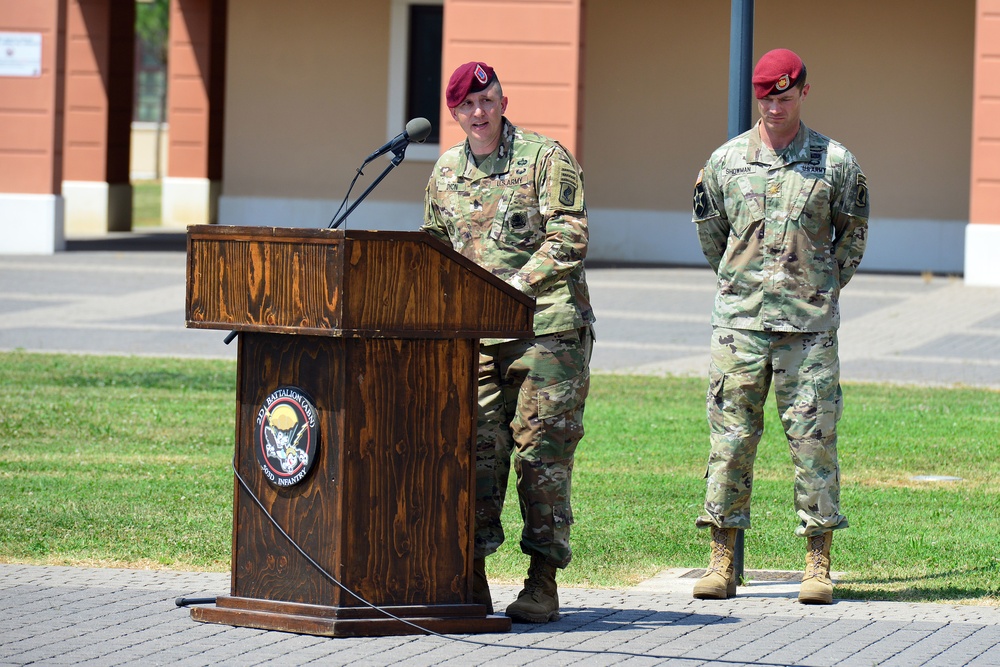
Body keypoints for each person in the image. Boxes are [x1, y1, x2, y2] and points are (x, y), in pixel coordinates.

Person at [690, 48, 869, 605]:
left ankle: (818, 565)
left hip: (809, 330)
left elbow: (853, 238)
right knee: (730, 442)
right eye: (766, 97)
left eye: (784, 97)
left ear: (804, 93)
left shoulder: (835, 163)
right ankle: (721, 561)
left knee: (813, 443)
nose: (774, 107)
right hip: (739, 326)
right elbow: (711, 236)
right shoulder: (724, 162)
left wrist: (815, 288)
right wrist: (745, 284)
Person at [421, 61, 595, 623]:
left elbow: (569, 236)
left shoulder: (545, 158)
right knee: (474, 453)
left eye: (488, 100)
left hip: (546, 331)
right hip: (476, 338)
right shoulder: (445, 171)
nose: (480, 112)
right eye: (468, 106)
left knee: (541, 457)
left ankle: (542, 583)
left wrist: (511, 287)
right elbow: (433, 247)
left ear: (502, 100)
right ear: (454, 113)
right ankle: (470, 578)